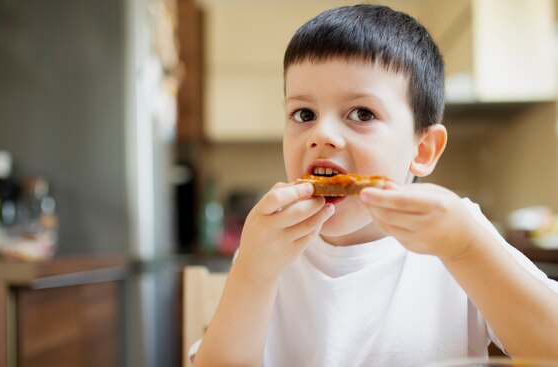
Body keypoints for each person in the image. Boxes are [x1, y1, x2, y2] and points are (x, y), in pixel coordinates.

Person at [191, 4, 558, 366]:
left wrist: (467, 249)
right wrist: (253, 270)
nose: (322, 135)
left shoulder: (460, 236)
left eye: (362, 113)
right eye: (304, 114)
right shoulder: (266, 248)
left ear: (423, 149)